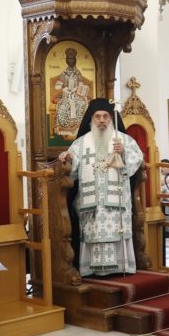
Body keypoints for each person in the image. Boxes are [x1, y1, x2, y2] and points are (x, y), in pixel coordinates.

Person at [57, 99, 143, 277]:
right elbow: (72, 171)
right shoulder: (81, 143)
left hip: (117, 201)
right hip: (91, 203)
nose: (102, 120)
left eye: (105, 116)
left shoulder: (123, 140)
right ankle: (92, 269)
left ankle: (121, 267)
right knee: (94, 231)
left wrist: (124, 153)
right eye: (98, 117)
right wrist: (67, 157)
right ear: (91, 119)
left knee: (115, 230)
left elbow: (137, 161)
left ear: (111, 118)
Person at [52, 47, 91, 140]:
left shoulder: (78, 73)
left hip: (77, 94)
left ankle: (78, 127)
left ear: (75, 60)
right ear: (66, 60)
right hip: (66, 94)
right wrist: (61, 87)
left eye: (72, 59)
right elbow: (58, 85)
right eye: (69, 59)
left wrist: (79, 88)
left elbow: (81, 84)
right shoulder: (64, 73)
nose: (71, 61)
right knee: (64, 105)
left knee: (81, 103)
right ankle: (66, 127)